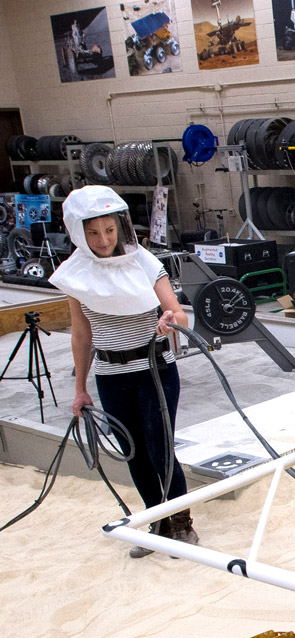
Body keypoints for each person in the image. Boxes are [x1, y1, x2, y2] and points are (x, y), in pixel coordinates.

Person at [50, 185, 197, 557]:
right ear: (77, 232)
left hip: (154, 369)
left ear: (121, 226)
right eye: (94, 233)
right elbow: (82, 333)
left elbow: (177, 312)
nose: (103, 240)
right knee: (133, 452)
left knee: (160, 448)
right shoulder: (75, 274)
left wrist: (170, 321)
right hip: (111, 376)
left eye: (110, 230)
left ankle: (181, 522)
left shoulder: (144, 262)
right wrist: (80, 388)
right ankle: (158, 521)